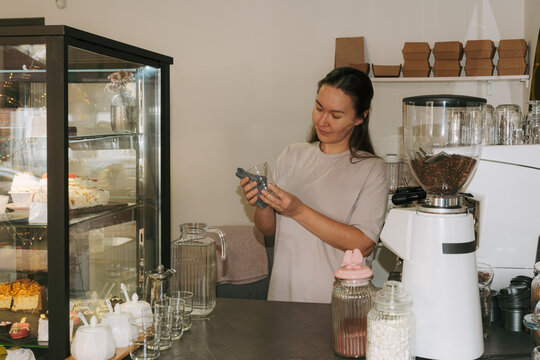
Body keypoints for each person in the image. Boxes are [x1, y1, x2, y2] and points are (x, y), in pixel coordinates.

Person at [239, 67, 388, 303]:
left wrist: (297, 210)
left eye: (336, 115)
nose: (322, 120)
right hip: (283, 297)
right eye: (319, 108)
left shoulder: (371, 168)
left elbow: (364, 244)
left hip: (337, 304)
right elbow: (268, 230)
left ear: (360, 117)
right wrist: (263, 201)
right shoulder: (292, 154)